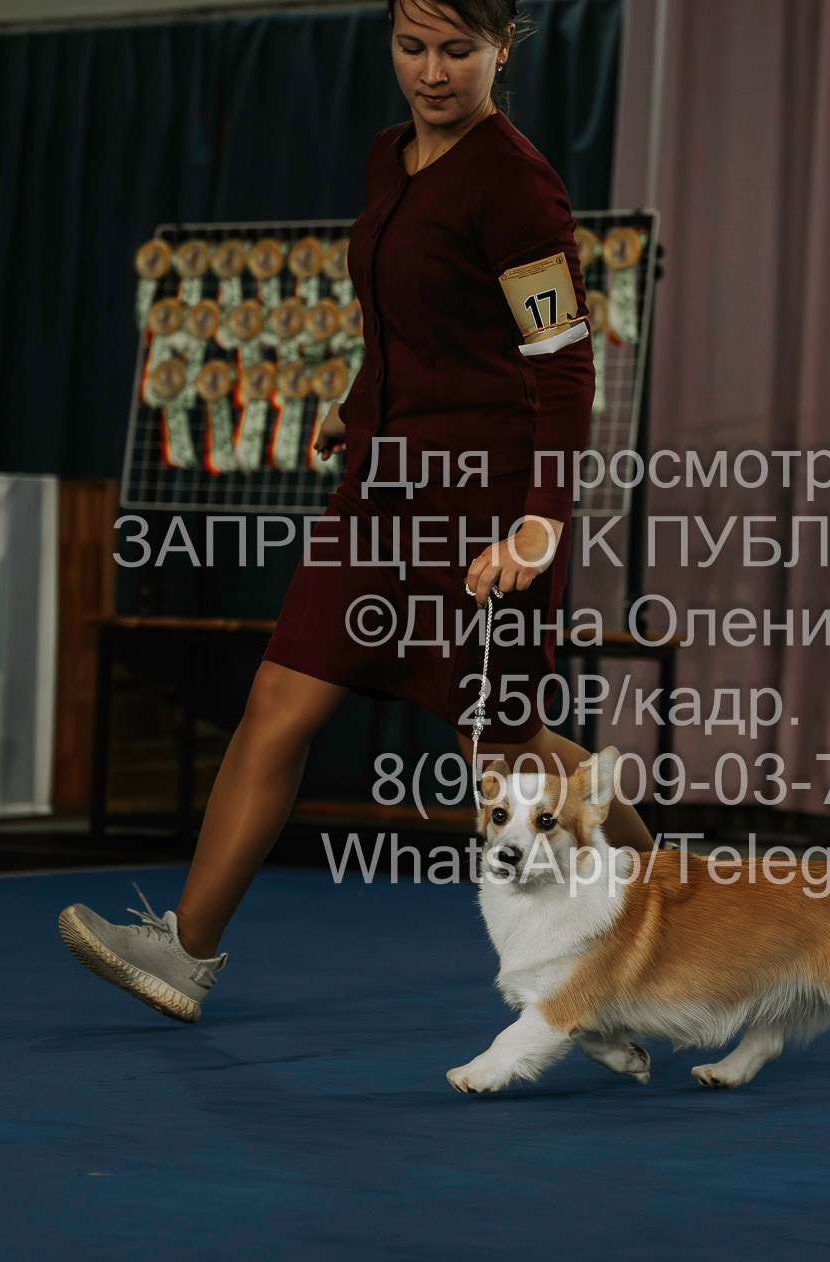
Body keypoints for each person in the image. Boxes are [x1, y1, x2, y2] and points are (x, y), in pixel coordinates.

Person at [58, 0, 657, 1023]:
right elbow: (404, 325)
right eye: (412, 46)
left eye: (458, 51)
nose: (432, 72)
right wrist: (355, 411)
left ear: (500, 49)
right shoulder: (391, 159)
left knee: (510, 755)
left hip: (485, 511)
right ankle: (183, 952)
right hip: (378, 494)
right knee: (278, 704)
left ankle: (680, 912)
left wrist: (541, 520)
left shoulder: (517, 187)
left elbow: (561, 366)